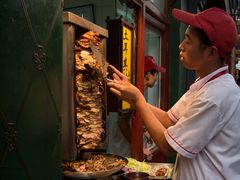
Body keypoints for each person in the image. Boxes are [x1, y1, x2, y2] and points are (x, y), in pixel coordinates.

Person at [107, 7, 240, 180]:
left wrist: (138, 100)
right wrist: (132, 96)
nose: (181, 45)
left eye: (188, 40)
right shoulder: (204, 85)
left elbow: (167, 146)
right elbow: (169, 120)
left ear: (211, 52)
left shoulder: (216, 95)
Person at [117, 56, 166, 160]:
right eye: (155, 74)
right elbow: (122, 122)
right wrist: (139, 147)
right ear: (148, 76)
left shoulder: (139, 91)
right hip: (122, 151)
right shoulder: (133, 92)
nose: (157, 78)